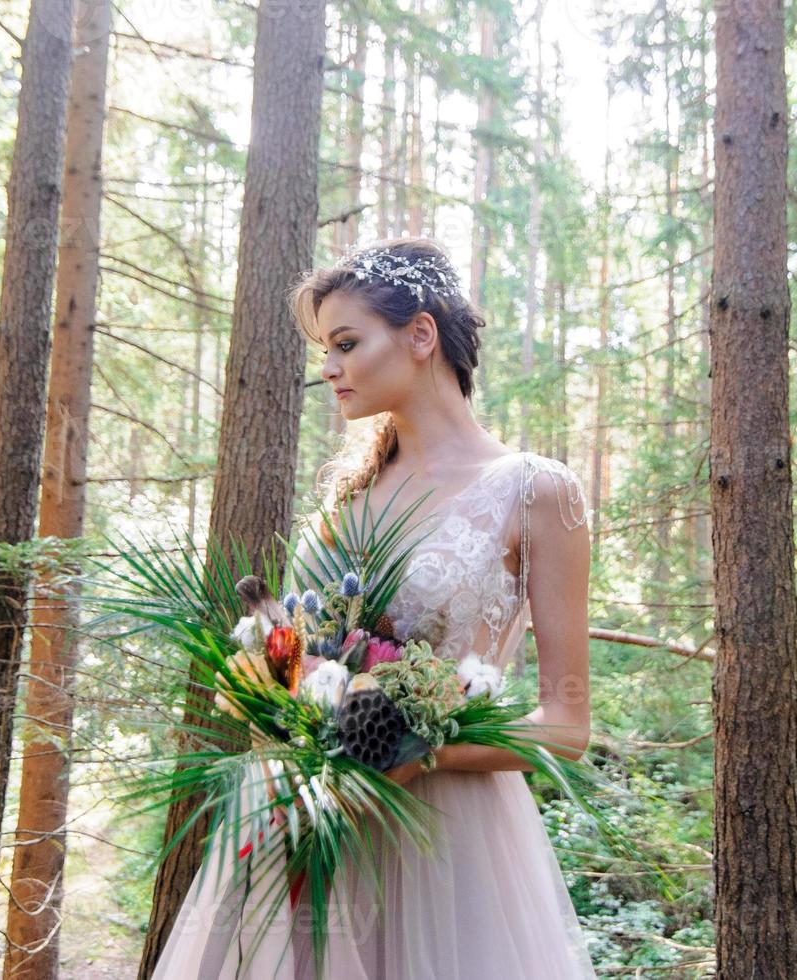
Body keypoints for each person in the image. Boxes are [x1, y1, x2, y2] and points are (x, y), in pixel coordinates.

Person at [151, 237, 597, 979]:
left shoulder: (537, 492)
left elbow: (568, 726)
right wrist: (270, 688)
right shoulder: (348, 499)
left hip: (447, 844)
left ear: (420, 335)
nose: (328, 368)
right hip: (304, 822)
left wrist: (418, 753)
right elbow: (288, 652)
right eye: (326, 349)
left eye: (346, 343)